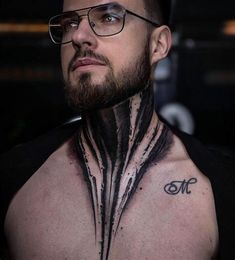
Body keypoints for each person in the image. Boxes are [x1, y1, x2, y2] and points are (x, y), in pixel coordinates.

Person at [0, 0, 235, 259]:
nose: (78, 36)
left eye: (109, 17)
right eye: (69, 23)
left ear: (158, 45)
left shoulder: (220, 189)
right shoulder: (15, 177)